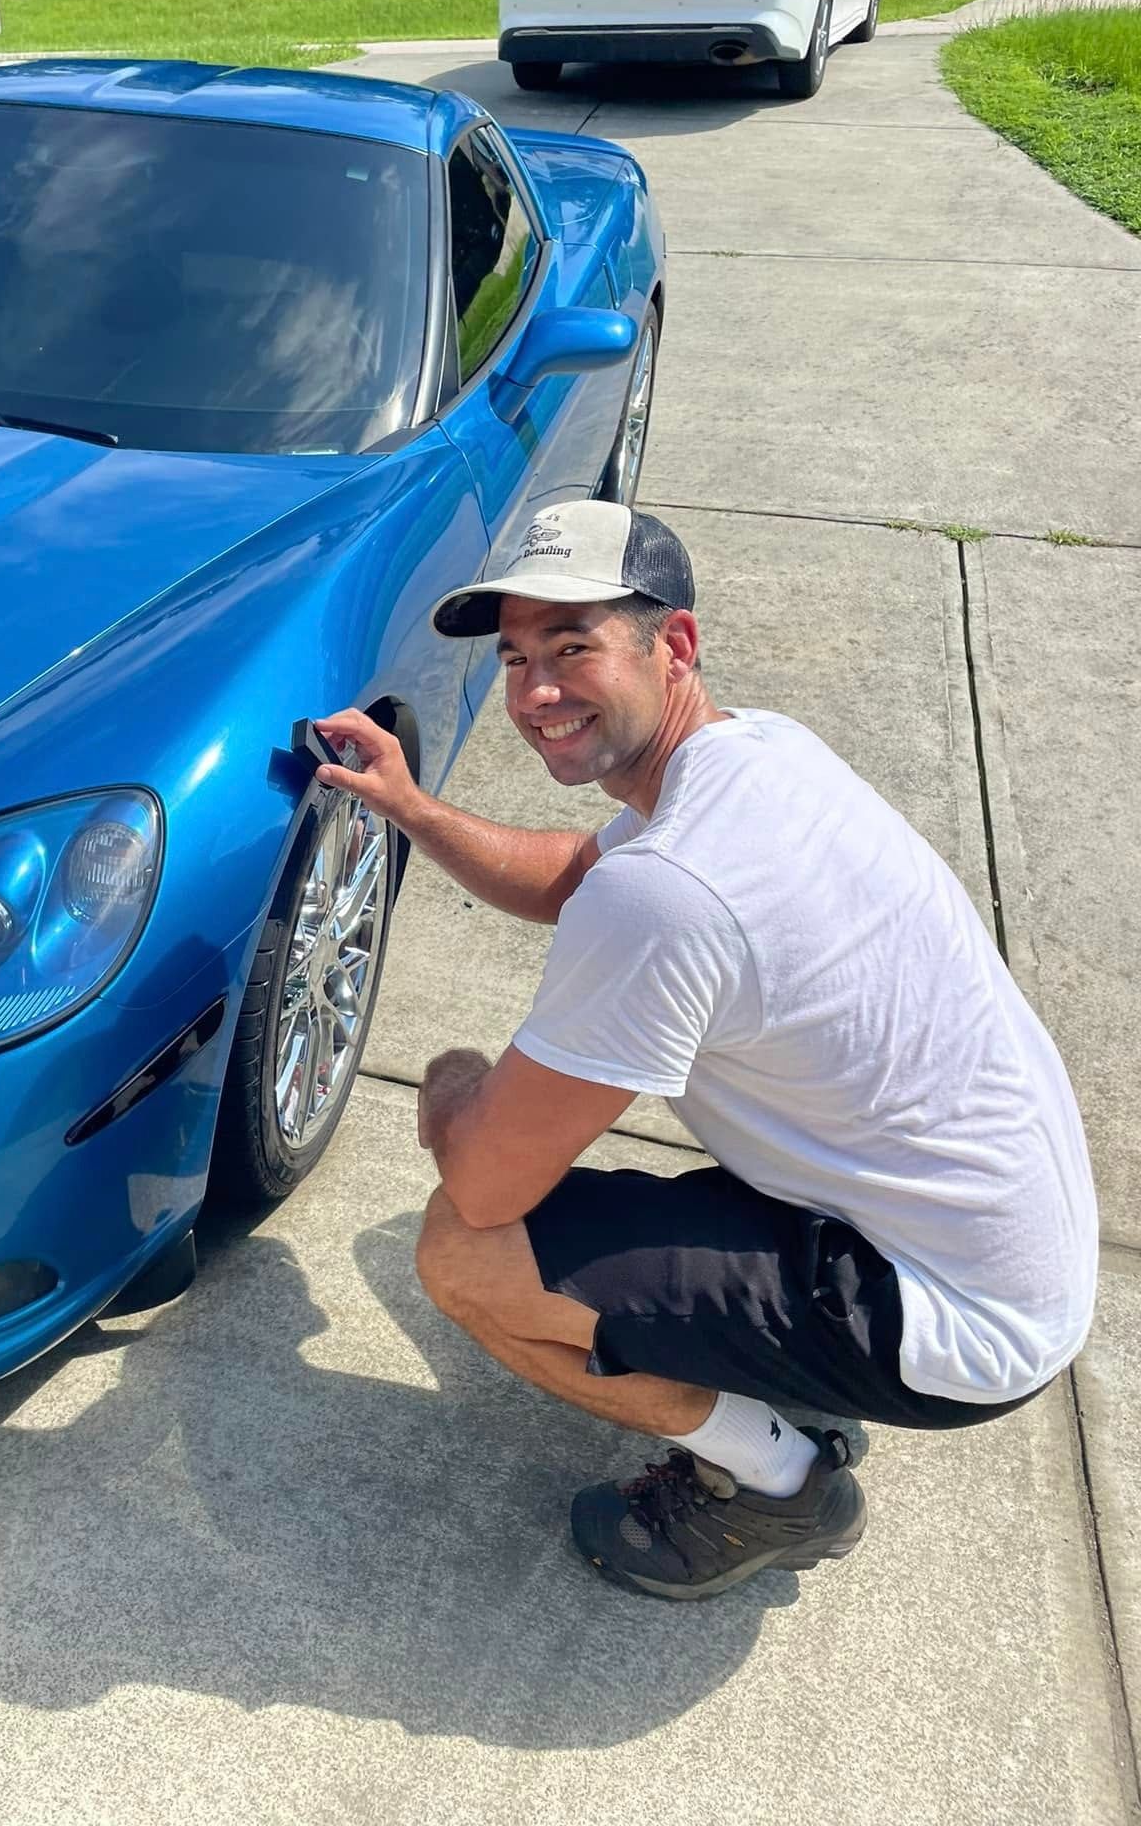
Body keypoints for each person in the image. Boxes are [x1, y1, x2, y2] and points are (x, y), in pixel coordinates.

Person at [313, 501, 1098, 1603]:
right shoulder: (759, 752)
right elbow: (569, 875)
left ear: (672, 644)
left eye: (574, 646)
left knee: (463, 1251)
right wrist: (408, 806)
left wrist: (451, 1083)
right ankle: (790, 1383)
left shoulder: (674, 894)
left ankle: (782, 1481)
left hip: (959, 1316)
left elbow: (485, 1176)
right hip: (988, 1227)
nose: (537, 691)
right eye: (519, 656)